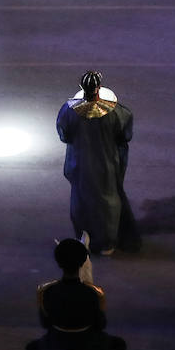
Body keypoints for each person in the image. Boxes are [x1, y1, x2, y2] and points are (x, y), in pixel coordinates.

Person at [25, 238, 128, 350]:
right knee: (119, 346)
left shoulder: (46, 291)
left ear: (59, 263)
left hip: (56, 344)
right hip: (90, 344)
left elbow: (45, 324)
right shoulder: (94, 293)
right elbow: (100, 324)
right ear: (82, 263)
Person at [56, 70, 140, 255]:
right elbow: (125, 135)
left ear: (81, 88)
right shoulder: (116, 112)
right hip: (106, 164)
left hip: (79, 164)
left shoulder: (69, 111)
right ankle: (107, 243)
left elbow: (64, 135)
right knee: (108, 202)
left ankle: (84, 237)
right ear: (99, 88)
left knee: (81, 200)